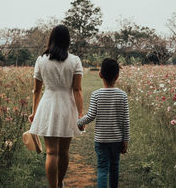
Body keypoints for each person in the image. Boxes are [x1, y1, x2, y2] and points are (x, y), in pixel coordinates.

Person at [28, 25, 84, 188]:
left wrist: (34, 112)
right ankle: (60, 183)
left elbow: (37, 90)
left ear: (51, 39)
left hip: (48, 105)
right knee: (64, 151)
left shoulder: (41, 60)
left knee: (51, 152)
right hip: (67, 105)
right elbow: (77, 89)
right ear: (68, 41)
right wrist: (81, 114)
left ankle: (54, 186)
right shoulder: (75, 60)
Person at [77, 58, 130, 188]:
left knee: (102, 169)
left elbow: (90, 116)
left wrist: (79, 122)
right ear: (117, 76)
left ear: (100, 74)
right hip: (117, 140)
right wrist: (126, 140)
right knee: (114, 167)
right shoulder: (122, 95)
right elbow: (125, 120)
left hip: (101, 140)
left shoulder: (96, 95)